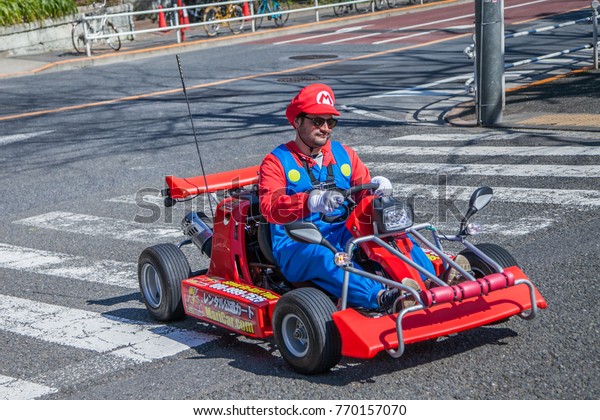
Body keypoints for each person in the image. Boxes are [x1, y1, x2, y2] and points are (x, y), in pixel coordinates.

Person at [258, 83, 435, 311]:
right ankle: (384, 298)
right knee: (327, 255)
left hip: (343, 231)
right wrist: (310, 200)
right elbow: (269, 207)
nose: (325, 128)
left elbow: (364, 192)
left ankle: (430, 281)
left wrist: (377, 190)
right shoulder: (276, 161)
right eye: (317, 121)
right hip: (297, 241)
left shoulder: (343, 154)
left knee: (391, 233)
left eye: (330, 122)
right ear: (297, 121)